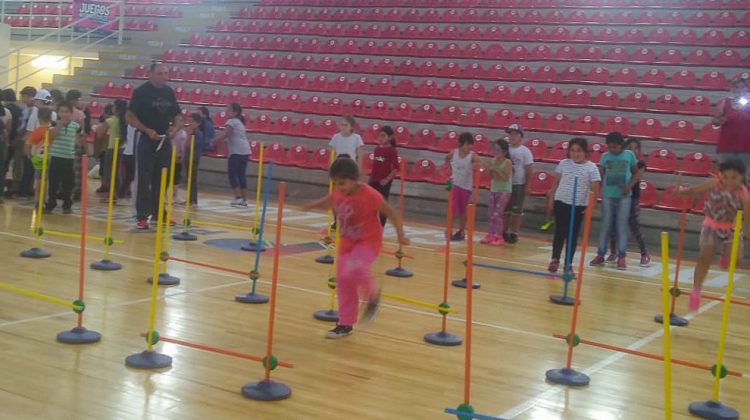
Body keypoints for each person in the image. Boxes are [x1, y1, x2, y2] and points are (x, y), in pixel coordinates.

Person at [303, 157, 409, 339]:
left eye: (342, 183)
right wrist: (311, 205)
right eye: (335, 183)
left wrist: (400, 234)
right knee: (343, 279)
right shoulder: (337, 192)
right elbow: (328, 201)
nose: (339, 187)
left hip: (368, 242)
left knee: (356, 268)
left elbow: (391, 212)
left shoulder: (370, 195)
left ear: (354, 179)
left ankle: (372, 295)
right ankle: (345, 323)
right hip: (346, 243)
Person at [675, 159, 750, 311]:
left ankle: (725, 253)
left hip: (731, 228)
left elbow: (748, 217)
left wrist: (747, 234)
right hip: (711, 225)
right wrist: (681, 192)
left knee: (736, 260)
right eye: (726, 177)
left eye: (734, 178)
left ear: (742, 178)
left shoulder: (743, 194)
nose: (729, 182)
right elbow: (695, 190)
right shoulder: (713, 183)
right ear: (720, 175)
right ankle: (696, 291)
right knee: (704, 258)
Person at [126, 62, 182, 229]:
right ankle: (142, 215)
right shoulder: (141, 92)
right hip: (146, 139)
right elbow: (129, 116)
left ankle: (159, 213)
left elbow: (178, 115)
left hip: (165, 141)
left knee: (163, 178)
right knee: (144, 178)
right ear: (150, 74)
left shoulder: (169, 92)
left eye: (166, 73)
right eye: (160, 73)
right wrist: (146, 130)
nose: (164, 77)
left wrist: (175, 128)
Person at [547, 138, 601, 274]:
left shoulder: (591, 168)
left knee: (572, 235)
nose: (575, 154)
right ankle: (555, 259)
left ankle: (568, 264)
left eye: (579, 151)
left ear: (585, 152)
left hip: (579, 205)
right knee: (560, 232)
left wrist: (591, 206)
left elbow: (595, 189)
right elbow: (555, 183)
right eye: (572, 151)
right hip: (562, 201)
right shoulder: (563, 164)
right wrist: (551, 198)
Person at [590, 132, 638, 270]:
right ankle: (600, 254)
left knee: (621, 226)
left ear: (621, 145)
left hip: (624, 197)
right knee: (605, 225)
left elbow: (635, 173)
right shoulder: (605, 156)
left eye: (615, 147)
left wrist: (628, 186)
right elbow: (602, 175)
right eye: (609, 147)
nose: (612, 149)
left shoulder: (629, 155)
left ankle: (621, 256)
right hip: (608, 196)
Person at [607, 138, 650, 267]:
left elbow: (636, 177)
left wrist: (626, 186)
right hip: (618, 197)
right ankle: (613, 252)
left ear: (639, 151)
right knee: (613, 225)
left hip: (632, 198)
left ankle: (644, 253)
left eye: (635, 148)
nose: (632, 150)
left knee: (634, 225)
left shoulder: (640, 164)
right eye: (629, 148)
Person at [45, 102, 81, 214]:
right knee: (53, 182)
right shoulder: (54, 123)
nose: (64, 114)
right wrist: (58, 126)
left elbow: (78, 139)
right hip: (56, 157)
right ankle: (51, 202)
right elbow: (52, 136)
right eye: (61, 111)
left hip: (69, 158)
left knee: (68, 182)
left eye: (67, 111)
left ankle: (67, 204)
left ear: (71, 113)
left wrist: (78, 146)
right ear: (58, 113)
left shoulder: (76, 126)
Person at [211, 103, 250, 207]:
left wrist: (213, 141)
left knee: (232, 174)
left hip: (237, 151)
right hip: (245, 151)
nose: (226, 112)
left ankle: (238, 197)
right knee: (241, 174)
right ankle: (244, 199)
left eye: (229, 110)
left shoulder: (231, 121)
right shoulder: (240, 122)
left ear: (235, 112)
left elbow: (226, 134)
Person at [446, 132, 482, 241]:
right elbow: (447, 158)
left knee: (462, 210)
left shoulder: (472, 155)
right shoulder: (454, 153)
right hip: (454, 184)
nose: (469, 147)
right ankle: (449, 230)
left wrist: (477, 165)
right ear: (460, 144)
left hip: (466, 187)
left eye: (471, 144)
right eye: (467, 144)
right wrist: (449, 169)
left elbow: (479, 162)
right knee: (452, 208)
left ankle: (461, 231)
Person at [713, 77, 750, 183]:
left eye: (742, 87)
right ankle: (723, 199)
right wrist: (719, 121)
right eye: (736, 87)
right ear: (733, 89)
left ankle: (741, 199)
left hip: (746, 145)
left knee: (742, 178)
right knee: (723, 176)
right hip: (726, 145)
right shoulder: (725, 102)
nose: (739, 90)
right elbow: (714, 120)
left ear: (746, 88)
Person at [504, 123, 533, 244]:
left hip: (518, 184)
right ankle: (503, 231)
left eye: (515, 134)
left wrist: (527, 185)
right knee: (505, 209)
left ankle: (514, 232)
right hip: (505, 184)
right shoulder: (505, 149)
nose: (512, 136)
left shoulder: (525, 151)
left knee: (516, 210)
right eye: (510, 134)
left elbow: (529, 169)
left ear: (521, 136)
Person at [481, 138, 512, 246]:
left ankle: (499, 236)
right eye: (494, 150)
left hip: (504, 191)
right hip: (494, 189)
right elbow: (490, 176)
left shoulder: (507, 162)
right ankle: (490, 234)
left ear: (504, 152)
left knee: (497, 214)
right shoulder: (493, 161)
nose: (495, 152)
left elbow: (505, 178)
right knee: (490, 213)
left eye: (498, 150)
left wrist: (495, 170)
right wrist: (487, 169)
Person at [368, 125, 399, 226]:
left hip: (384, 182)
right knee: (370, 202)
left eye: (383, 136)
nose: (380, 138)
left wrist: (387, 179)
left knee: (382, 204)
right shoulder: (376, 149)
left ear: (390, 137)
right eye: (379, 136)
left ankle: (381, 226)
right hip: (374, 180)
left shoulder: (392, 151)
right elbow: (375, 166)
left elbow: (395, 168)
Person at [98, 99, 127, 198]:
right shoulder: (125, 120)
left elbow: (99, 133)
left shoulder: (111, 120)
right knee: (117, 171)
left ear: (116, 109)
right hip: (122, 148)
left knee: (109, 172)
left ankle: (111, 194)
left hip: (111, 148)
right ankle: (116, 193)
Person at [25, 107, 53, 200]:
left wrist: (29, 156)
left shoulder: (36, 131)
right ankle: (44, 199)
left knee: (38, 180)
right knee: (46, 180)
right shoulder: (52, 131)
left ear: (38, 118)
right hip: (49, 158)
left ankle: (37, 200)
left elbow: (28, 145)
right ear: (50, 118)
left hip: (37, 158)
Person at [183, 112, 204, 206]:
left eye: (192, 122)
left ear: (198, 123)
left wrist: (188, 135)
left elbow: (189, 146)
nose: (190, 124)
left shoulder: (197, 134)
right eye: (189, 121)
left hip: (194, 158)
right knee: (189, 178)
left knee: (192, 179)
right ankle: (190, 199)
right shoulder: (193, 133)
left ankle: (193, 200)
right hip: (188, 157)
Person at [168, 117, 188, 203]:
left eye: (181, 121)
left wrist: (182, 156)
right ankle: (164, 195)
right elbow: (169, 138)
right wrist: (175, 131)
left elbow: (184, 146)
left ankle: (175, 195)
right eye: (178, 121)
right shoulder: (170, 130)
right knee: (168, 176)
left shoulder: (184, 133)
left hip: (178, 157)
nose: (180, 122)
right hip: (169, 156)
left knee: (176, 176)